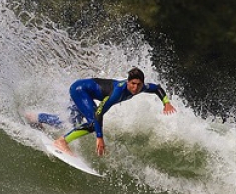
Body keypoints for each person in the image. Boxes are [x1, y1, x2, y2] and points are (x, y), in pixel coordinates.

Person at [27, 67, 176, 156]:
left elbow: (157, 88)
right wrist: (100, 137)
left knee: (70, 122)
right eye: (133, 84)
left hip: (84, 91)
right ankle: (61, 142)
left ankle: (35, 117)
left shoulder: (142, 87)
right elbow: (99, 112)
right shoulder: (118, 92)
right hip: (80, 90)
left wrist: (166, 103)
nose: (136, 88)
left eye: (139, 84)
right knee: (92, 124)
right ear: (128, 81)